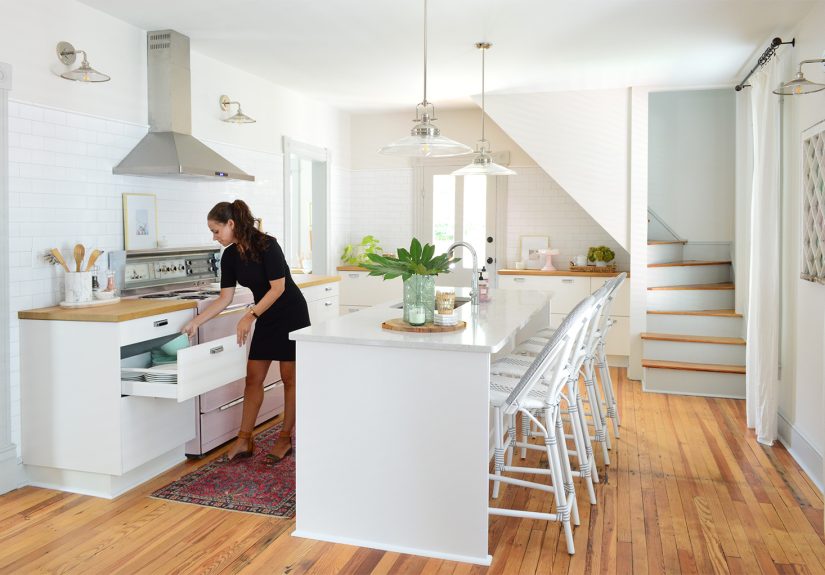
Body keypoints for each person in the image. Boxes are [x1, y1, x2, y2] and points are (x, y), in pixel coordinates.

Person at [182, 199, 310, 462]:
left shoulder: (267, 245)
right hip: (264, 316)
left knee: (290, 379)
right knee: (253, 379)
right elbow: (224, 298)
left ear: (231, 224)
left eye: (216, 231)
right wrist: (197, 321)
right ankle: (244, 439)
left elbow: (278, 288)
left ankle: (285, 439)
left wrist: (249, 316)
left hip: (290, 314)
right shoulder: (229, 256)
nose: (214, 237)